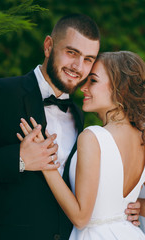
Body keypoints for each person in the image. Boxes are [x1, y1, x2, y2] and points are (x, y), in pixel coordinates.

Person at [0, 12, 140, 239]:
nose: (78, 66)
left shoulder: (79, 115)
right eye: (72, 53)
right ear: (49, 46)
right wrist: (19, 159)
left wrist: (135, 208)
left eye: (88, 59)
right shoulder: (1, 94)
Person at [19, 51, 145, 239]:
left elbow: (80, 218)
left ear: (122, 88)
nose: (82, 88)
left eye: (92, 81)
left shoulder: (93, 137)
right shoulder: (141, 136)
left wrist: (46, 162)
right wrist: (140, 206)